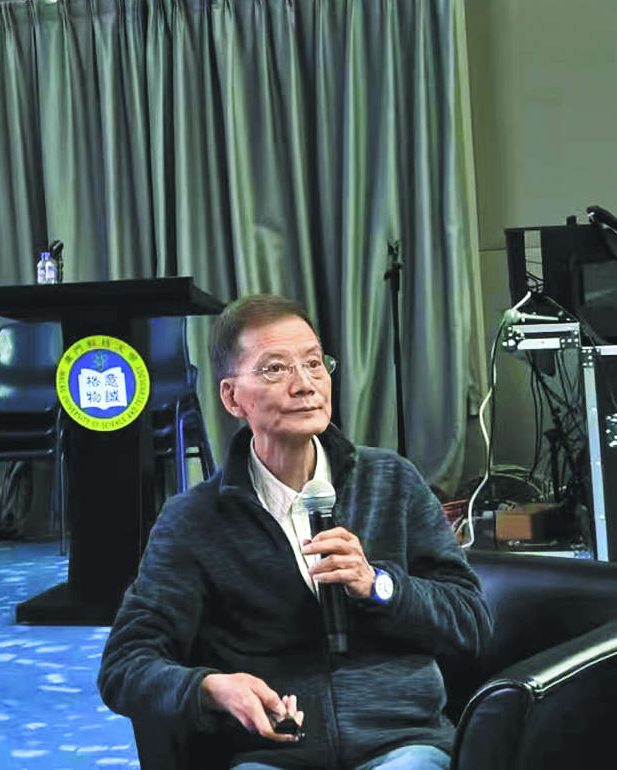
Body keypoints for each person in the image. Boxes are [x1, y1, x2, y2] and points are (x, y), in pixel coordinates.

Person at [97, 294, 491, 770]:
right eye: (275, 369)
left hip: (402, 744)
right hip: (271, 754)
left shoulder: (392, 482)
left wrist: (380, 585)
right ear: (232, 398)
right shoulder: (192, 520)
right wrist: (210, 688)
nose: (305, 385)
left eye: (314, 363)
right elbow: (124, 665)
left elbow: (471, 621)